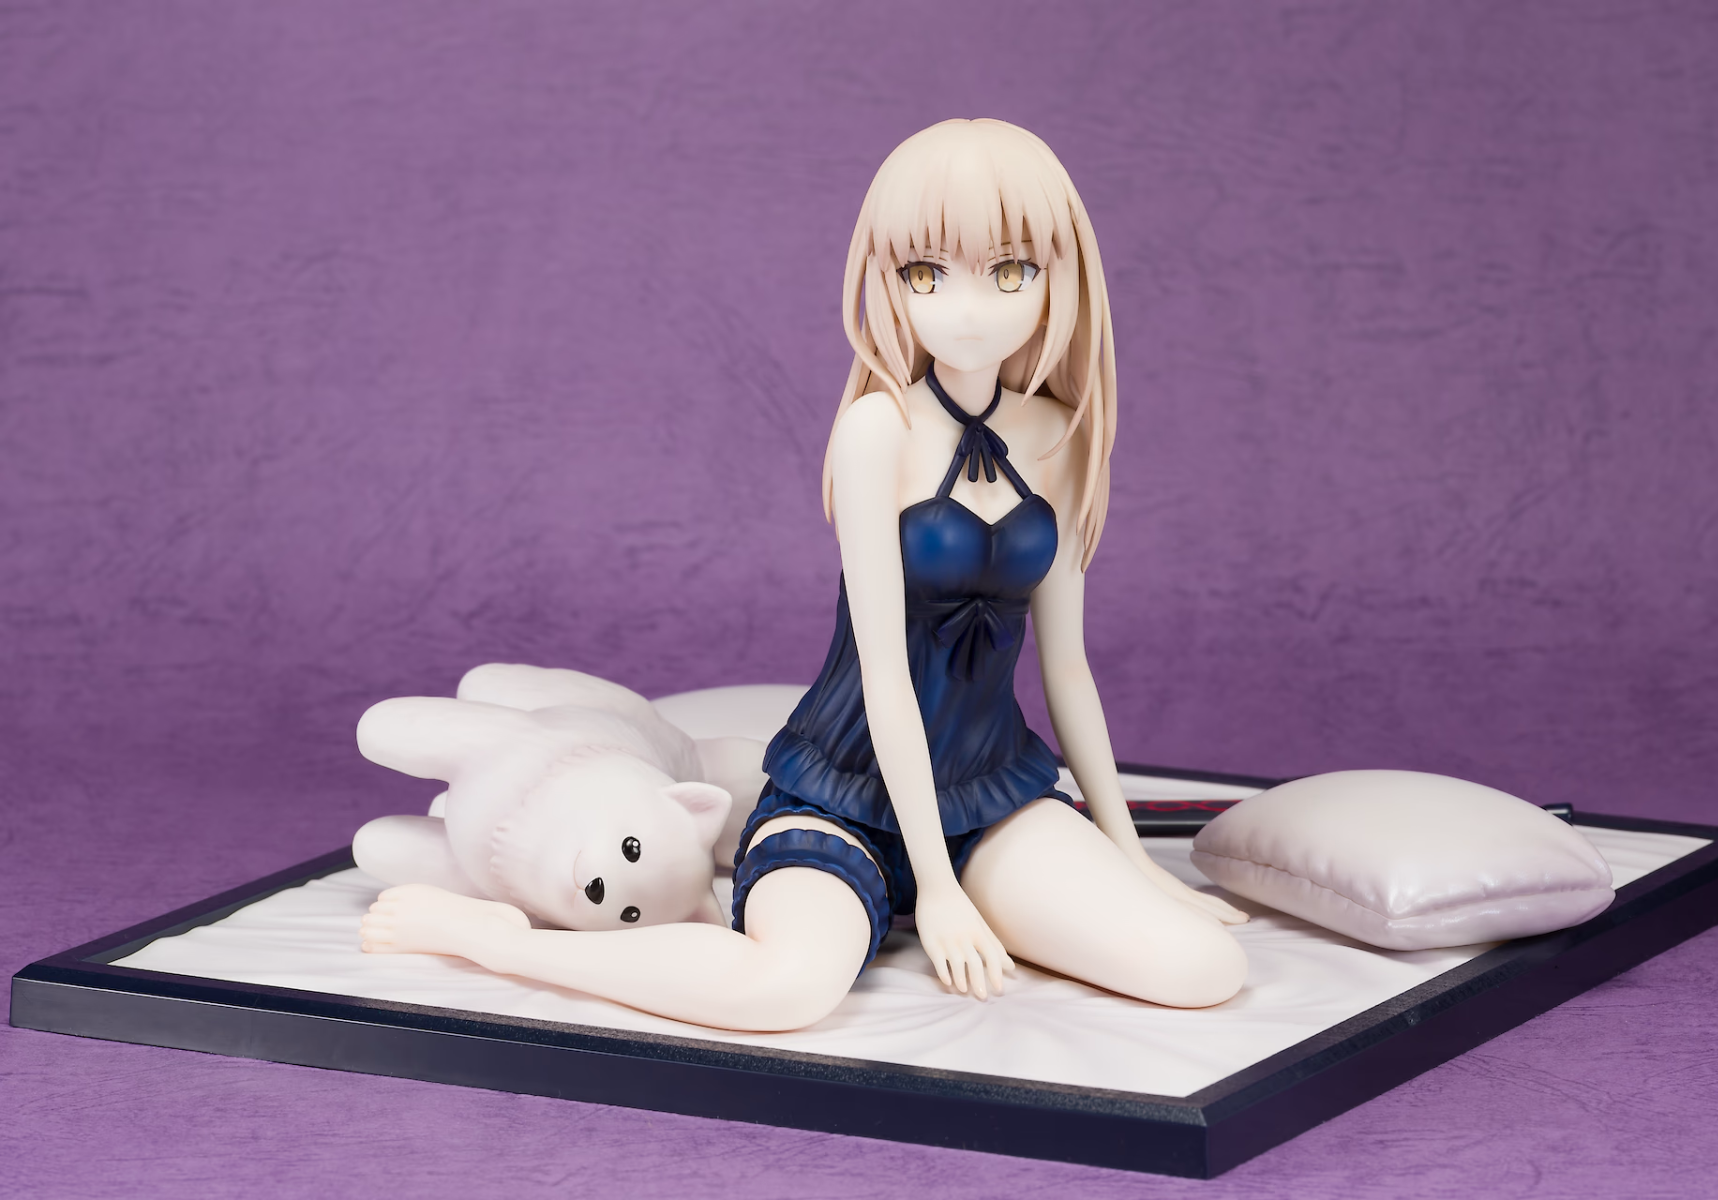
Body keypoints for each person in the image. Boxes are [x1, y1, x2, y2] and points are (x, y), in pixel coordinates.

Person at [360, 118, 1248, 1031]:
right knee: (786, 989)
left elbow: (1068, 670)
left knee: (1202, 968)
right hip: (842, 790)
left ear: (1064, 275)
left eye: (1010, 271)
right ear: (887, 278)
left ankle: (977, 890)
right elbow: (886, 674)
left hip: (990, 791)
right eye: (926, 273)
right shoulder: (877, 430)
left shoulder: (1060, 435)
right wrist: (937, 891)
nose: (967, 309)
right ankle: (495, 942)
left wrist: (1128, 852)